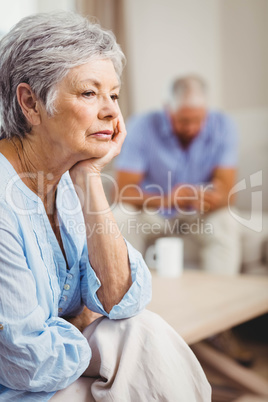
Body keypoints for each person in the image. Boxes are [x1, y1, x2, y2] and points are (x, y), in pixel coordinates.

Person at [0, 12, 211, 401]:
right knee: (138, 352)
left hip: (60, 372)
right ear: (30, 102)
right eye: (88, 93)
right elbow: (25, 362)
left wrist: (89, 178)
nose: (112, 111)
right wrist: (86, 325)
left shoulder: (65, 179)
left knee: (139, 330)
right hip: (23, 391)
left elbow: (121, 299)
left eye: (113, 94)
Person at [115, 75, 241, 275]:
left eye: (198, 120)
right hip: (154, 211)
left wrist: (210, 198)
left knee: (226, 221)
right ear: (168, 109)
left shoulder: (223, 126)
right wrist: (166, 200)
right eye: (183, 120)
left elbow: (229, 194)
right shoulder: (141, 126)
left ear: (206, 111)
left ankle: (220, 295)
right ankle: (124, 292)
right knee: (121, 216)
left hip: (197, 214)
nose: (191, 128)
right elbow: (123, 193)